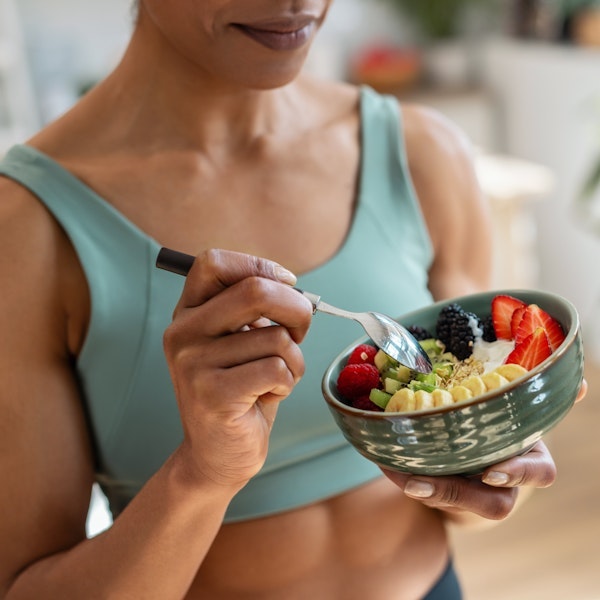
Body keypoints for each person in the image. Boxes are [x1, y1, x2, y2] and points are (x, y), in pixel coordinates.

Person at [0, 1, 586, 598]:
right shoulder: (25, 228)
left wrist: (488, 457)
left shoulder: (423, 153)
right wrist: (202, 473)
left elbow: (462, 507)